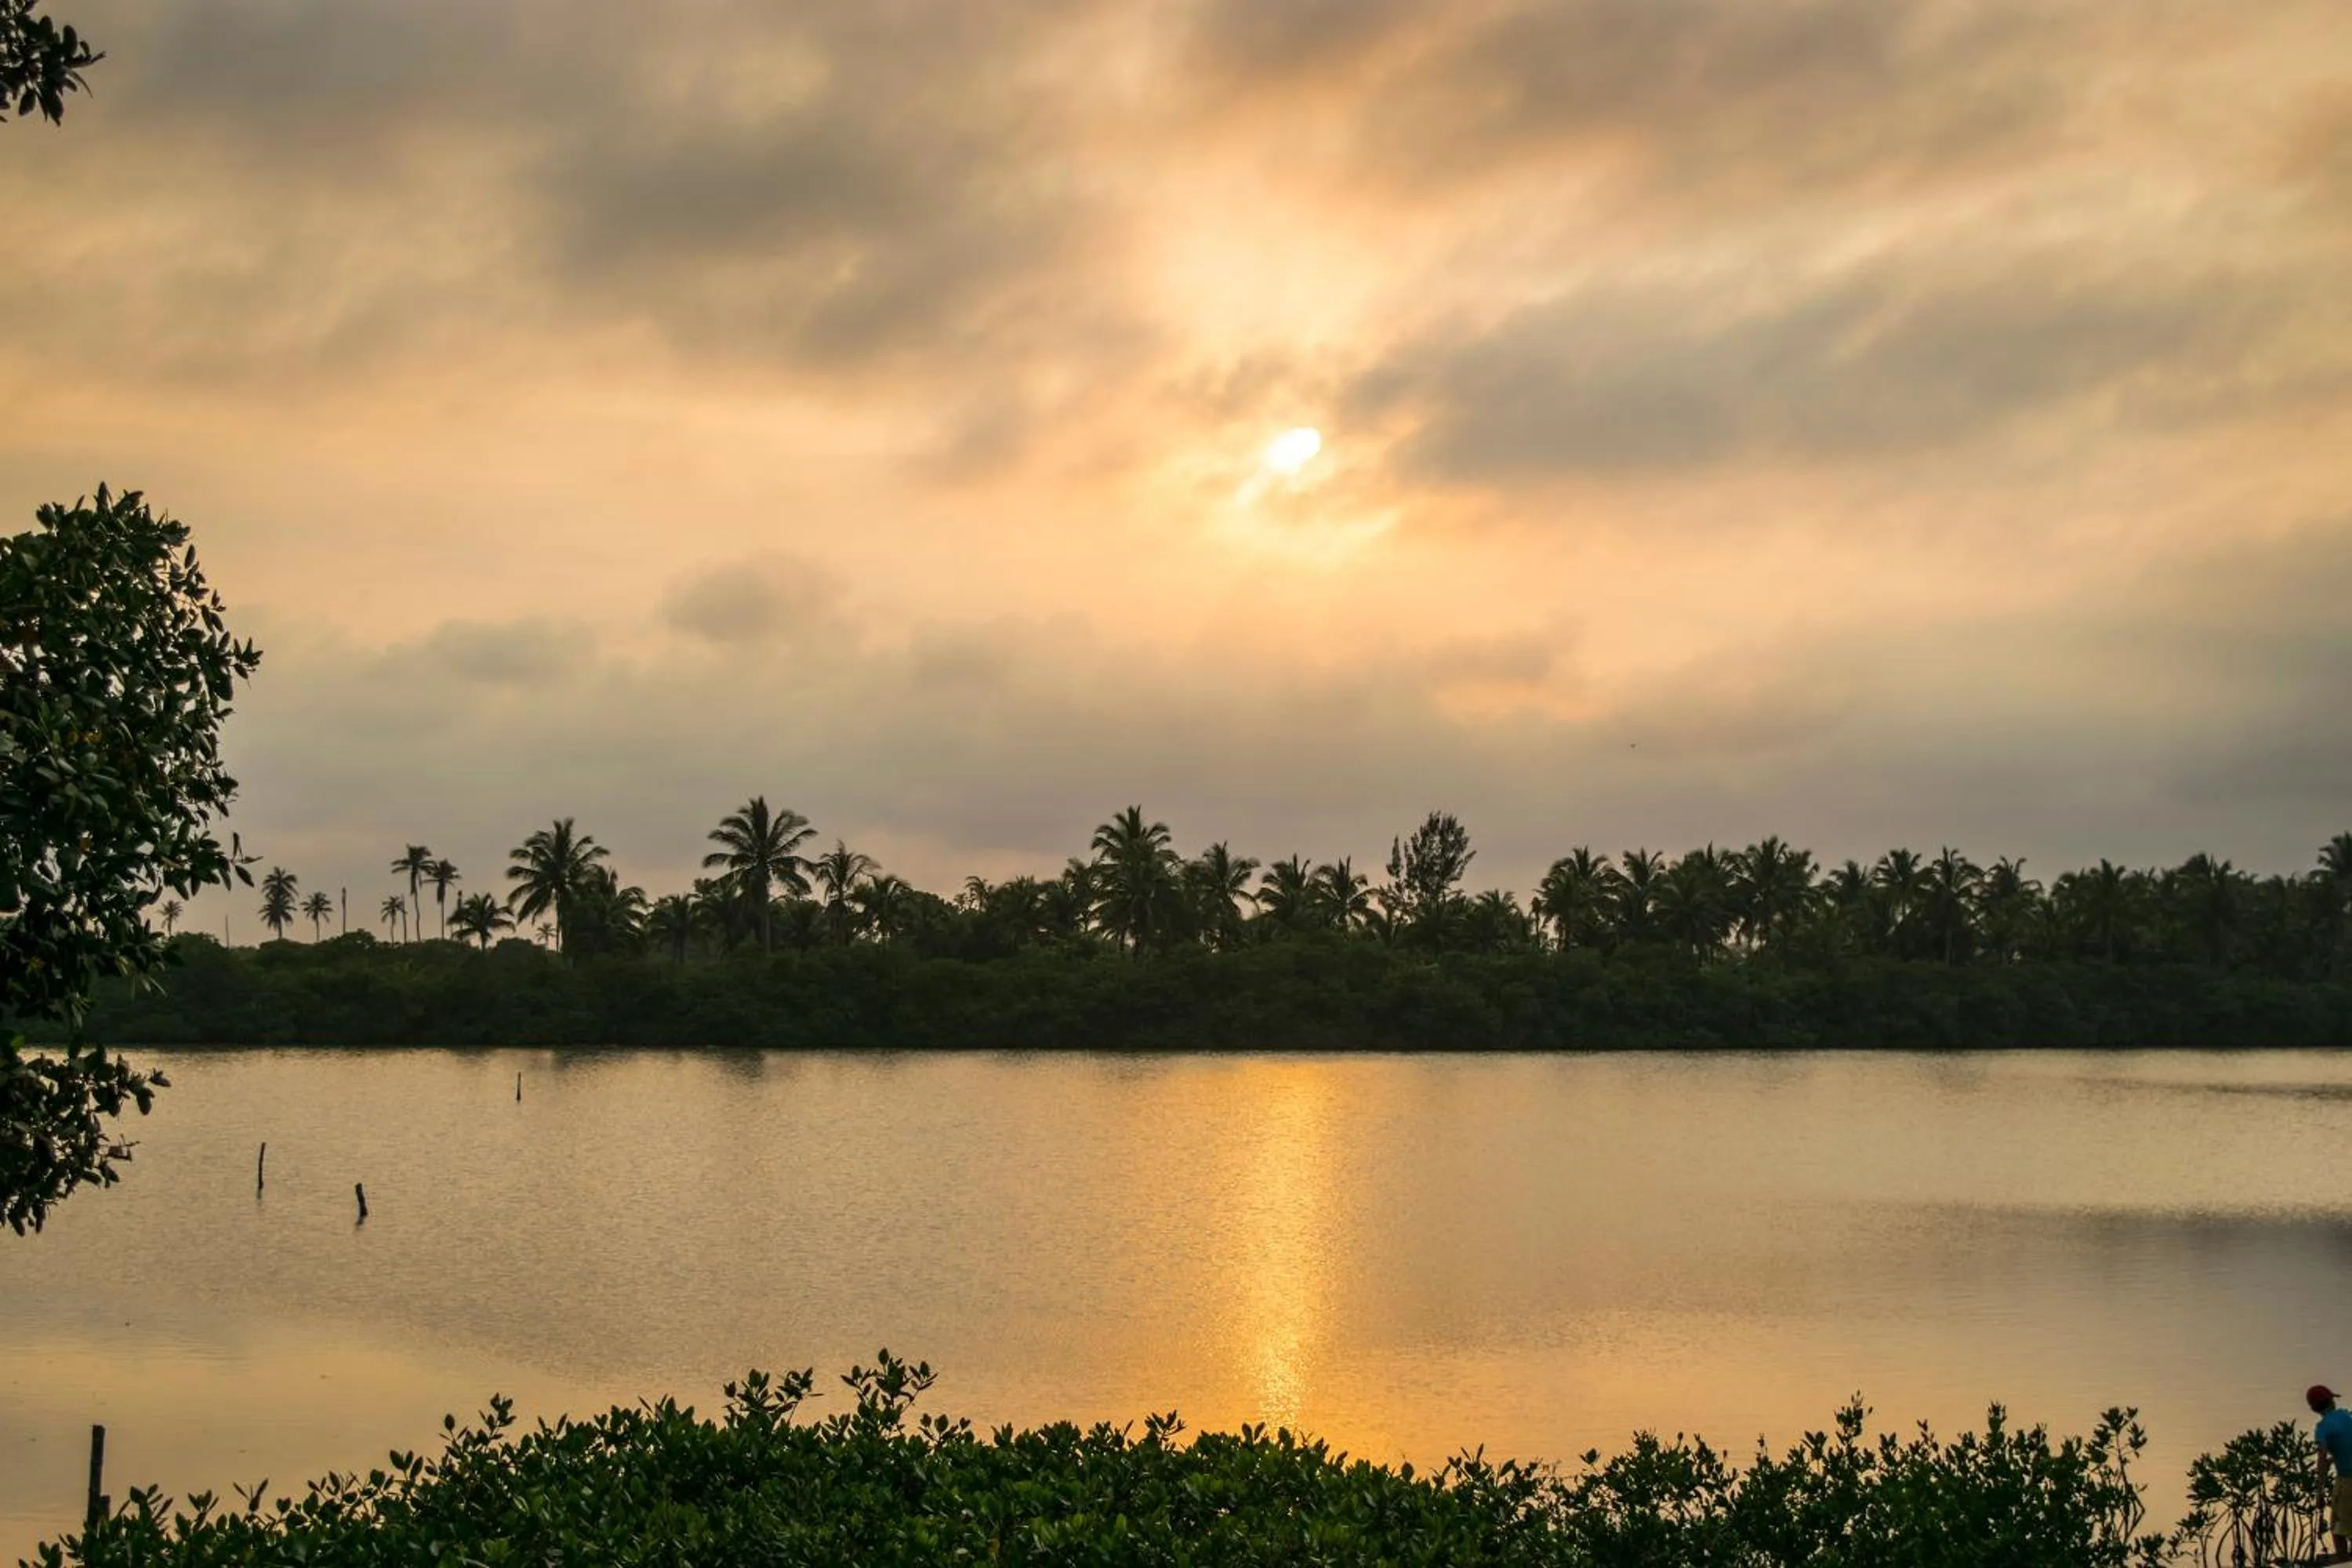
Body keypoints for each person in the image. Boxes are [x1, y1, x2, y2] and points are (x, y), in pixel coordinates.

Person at [2312, 1384, 2352, 1560]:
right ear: (2331, 1402)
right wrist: (2333, 1459)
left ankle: (2343, 1561)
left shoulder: (2322, 1427)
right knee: (2341, 1525)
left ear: (2314, 1409)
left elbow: (2321, 1456)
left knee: (2340, 1529)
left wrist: (2319, 1491)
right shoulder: (2345, 1415)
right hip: (2345, 1480)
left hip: (2347, 1480)